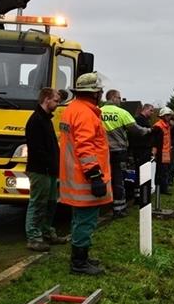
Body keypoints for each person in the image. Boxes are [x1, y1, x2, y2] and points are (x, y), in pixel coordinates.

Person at [59, 72, 112, 275]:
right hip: (85, 179)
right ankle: (79, 263)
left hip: (74, 176)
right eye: (100, 91)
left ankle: (81, 257)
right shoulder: (86, 114)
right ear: (95, 93)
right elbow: (85, 147)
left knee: (79, 219)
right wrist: (95, 175)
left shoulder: (72, 110)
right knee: (86, 220)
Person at [24, 88, 68, 251]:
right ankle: (34, 237)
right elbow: (37, 149)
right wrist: (51, 164)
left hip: (49, 170)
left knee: (50, 204)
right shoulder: (36, 121)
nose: (58, 104)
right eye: (56, 101)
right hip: (40, 170)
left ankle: (46, 231)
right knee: (38, 203)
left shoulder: (46, 120)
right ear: (46, 99)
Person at [100, 89, 150, 218]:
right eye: (119, 98)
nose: (121, 101)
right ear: (114, 98)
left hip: (101, 151)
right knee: (118, 179)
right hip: (118, 151)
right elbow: (136, 130)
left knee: (103, 178)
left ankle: (102, 206)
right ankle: (119, 208)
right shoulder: (122, 112)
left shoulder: (97, 112)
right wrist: (149, 130)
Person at [151, 107, 174, 195]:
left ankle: (163, 188)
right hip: (161, 152)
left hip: (166, 152)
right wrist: (154, 151)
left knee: (165, 171)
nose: (169, 117)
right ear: (162, 116)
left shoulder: (167, 126)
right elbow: (154, 141)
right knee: (160, 171)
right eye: (167, 115)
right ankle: (160, 188)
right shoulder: (158, 126)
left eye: (169, 115)